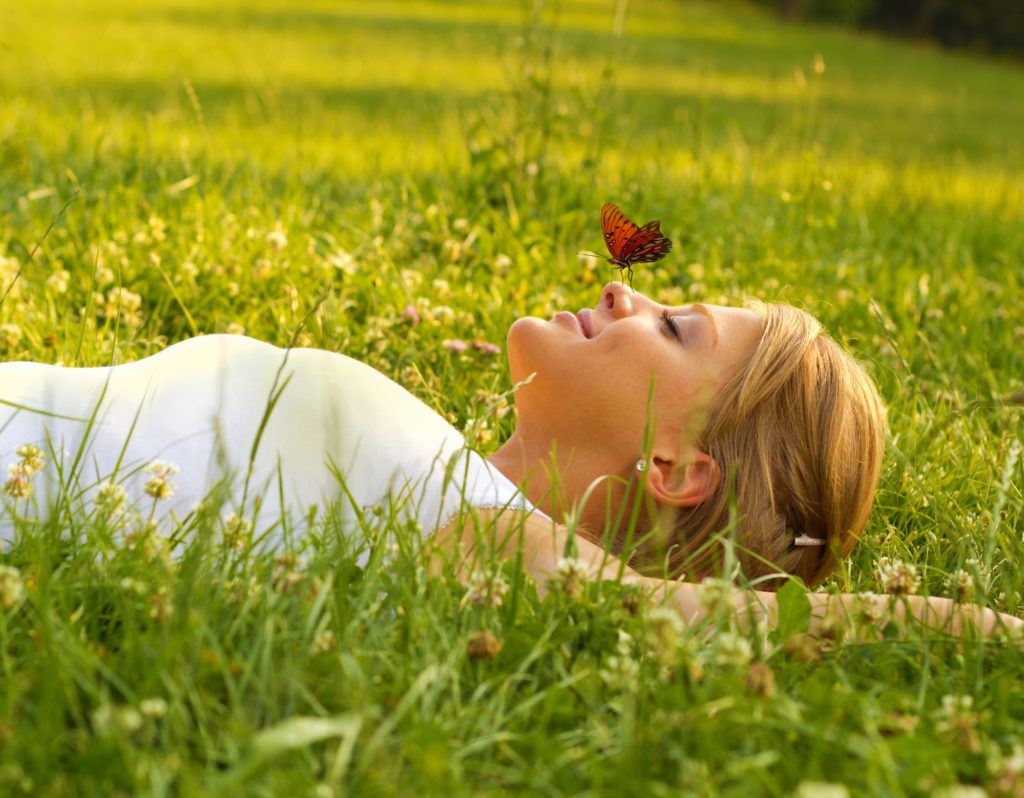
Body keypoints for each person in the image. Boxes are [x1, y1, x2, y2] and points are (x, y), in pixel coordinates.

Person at [0, 282, 1018, 636]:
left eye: (673, 328)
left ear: (675, 466)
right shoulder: (441, 485)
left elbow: (715, 619)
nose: (625, 296)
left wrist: (984, 628)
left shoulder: (464, 519)